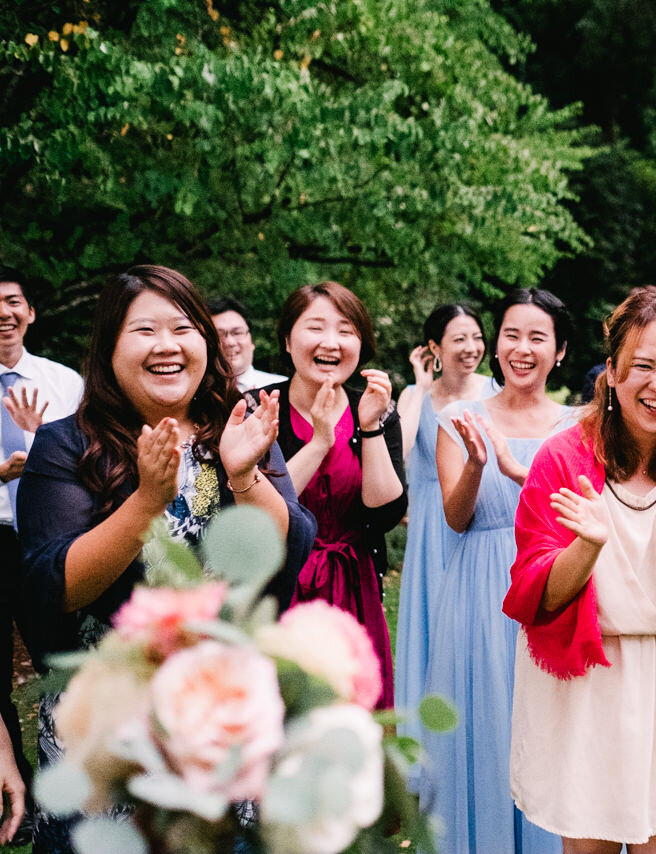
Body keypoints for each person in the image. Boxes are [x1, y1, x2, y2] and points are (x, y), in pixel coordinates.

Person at [18, 265, 315, 851]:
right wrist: (147, 503)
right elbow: (55, 584)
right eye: (144, 330)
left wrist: (243, 474)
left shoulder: (237, 426)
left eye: (182, 328)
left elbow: (287, 548)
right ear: (108, 348)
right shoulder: (67, 444)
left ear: (205, 341)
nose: (166, 346)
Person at [502, 287, 656, 853]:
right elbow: (536, 597)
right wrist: (585, 548)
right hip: (586, 682)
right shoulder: (561, 459)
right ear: (611, 372)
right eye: (643, 367)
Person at [422, 289, 572, 854]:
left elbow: (579, 515)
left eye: (538, 337)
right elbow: (455, 519)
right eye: (512, 334)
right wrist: (477, 468)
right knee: (487, 731)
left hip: (553, 586)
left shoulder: (577, 425)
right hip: (480, 588)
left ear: (559, 351)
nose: (522, 348)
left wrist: (514, 470)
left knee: (549, 734)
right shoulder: (458, 419)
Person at [266, 281, 406, 712]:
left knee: (353, 724)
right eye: (315, 328)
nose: (331, 343)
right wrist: (321, 440)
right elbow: (262, 509)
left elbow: (385, 512)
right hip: (278, 590)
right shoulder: (260, 409)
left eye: (346, 330)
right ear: (288, 341)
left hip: (354, 588)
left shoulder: (377, 408)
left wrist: (370, 428)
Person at [393, 303, 494, 790]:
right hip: (434, 521)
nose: (471, 347)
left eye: (476, 336)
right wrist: (416, 383)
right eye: (458, 338)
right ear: (434, 347)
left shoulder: (494, 394)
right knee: (433, 628)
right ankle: (428, 754)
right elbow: (401, 446)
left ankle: (481, 735)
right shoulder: (418, 397)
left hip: (480, 519)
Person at [0, 266, 83, 843]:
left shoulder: (64, 382)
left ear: (30, 312)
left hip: (46, 539)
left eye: (11, 302)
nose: (3, 313)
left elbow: (87, 458)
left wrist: (35, 452)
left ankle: (73, 774)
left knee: (64, 656)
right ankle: (14, 791)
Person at [208, 296, 285, 392]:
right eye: (219, 335)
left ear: (252, 341)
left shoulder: (281, 389)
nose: (230, 342)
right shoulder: (196, 394)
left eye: (237, 333)